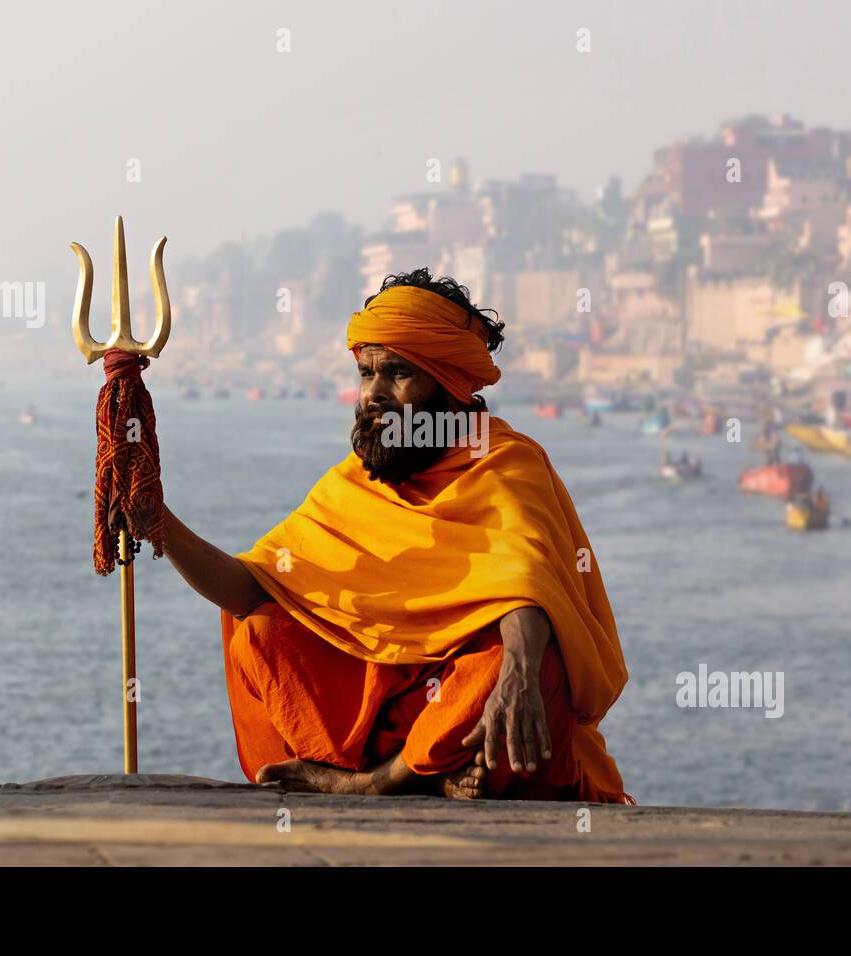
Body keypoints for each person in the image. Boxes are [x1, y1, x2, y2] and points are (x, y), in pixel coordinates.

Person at [154, 269, 631, 803]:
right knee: (263, 630)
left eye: (398, 374)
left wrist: (518, 670)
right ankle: (411, 774)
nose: (373, 395)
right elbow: (248, 588)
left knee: (523, 659)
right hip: (408, 732)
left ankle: (376, 784)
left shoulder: (504, 463)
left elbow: (528, 582)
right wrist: (155, 515)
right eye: (365, 374)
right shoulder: (353, 484)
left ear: (448, 385)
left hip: (473, 721)